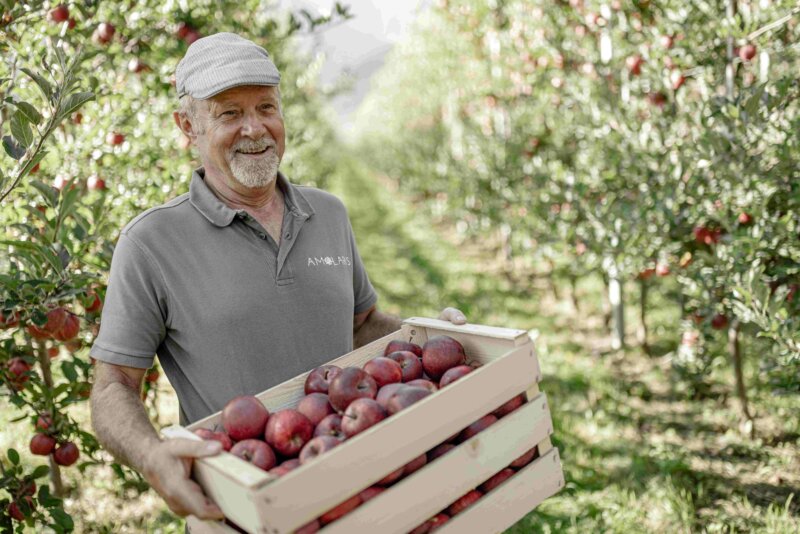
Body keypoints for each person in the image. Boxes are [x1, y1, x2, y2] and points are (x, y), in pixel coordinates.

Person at [89, 32, 466, 521]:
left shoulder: (328, 213)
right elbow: (113, 383)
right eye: (229, 113)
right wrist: (151, 456)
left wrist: (430, 339)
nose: (254, 128)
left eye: (266, 107)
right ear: (189, 126)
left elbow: (361, 321)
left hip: (363, 477)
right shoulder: (151, 243)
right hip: (246, 506)